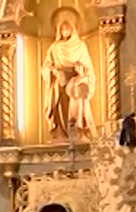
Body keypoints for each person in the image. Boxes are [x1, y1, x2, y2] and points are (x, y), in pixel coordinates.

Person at [40, 8, 97, 141]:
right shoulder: (54, 47)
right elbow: (46, 66)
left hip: (75, 83)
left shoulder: (81, 46)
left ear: (73, 29)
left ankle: (78, 132)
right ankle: (60, 133)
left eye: (67, 29)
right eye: (62, 29)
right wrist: (54, 71)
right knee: (60, 108)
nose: (65, 32)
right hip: (59, 83)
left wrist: (80, 72)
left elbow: (88, 68)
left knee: (76, 105)